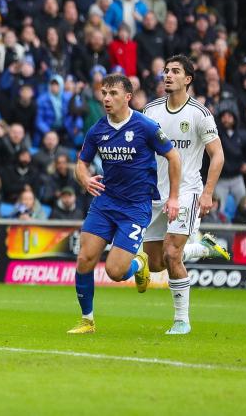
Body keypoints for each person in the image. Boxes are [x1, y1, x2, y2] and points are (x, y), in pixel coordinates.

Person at [69, 74, 182, 335]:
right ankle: (87, 320)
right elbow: (81, 163)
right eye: (104, 93)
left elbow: (173, 157)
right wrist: (84, 178)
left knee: (115, 271)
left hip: (135, 207)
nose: (106, 99)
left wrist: (174, 197)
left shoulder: (146, 126)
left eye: (113, 94)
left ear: (127, 97)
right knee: (85, 258)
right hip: (105, 202)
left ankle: (139, 264)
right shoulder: (97, 129)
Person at [140, 56, 229, 334]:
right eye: (166, 71)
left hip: (187, 192)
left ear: (187, 79)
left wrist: (207, 193)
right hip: (154, 194)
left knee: (172, 253)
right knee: (155, 263)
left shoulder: (200, 114)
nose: (167, 75)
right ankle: (204, 248)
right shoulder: (150, 111)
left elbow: (217, 156)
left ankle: (182, 320)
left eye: (175, 71)